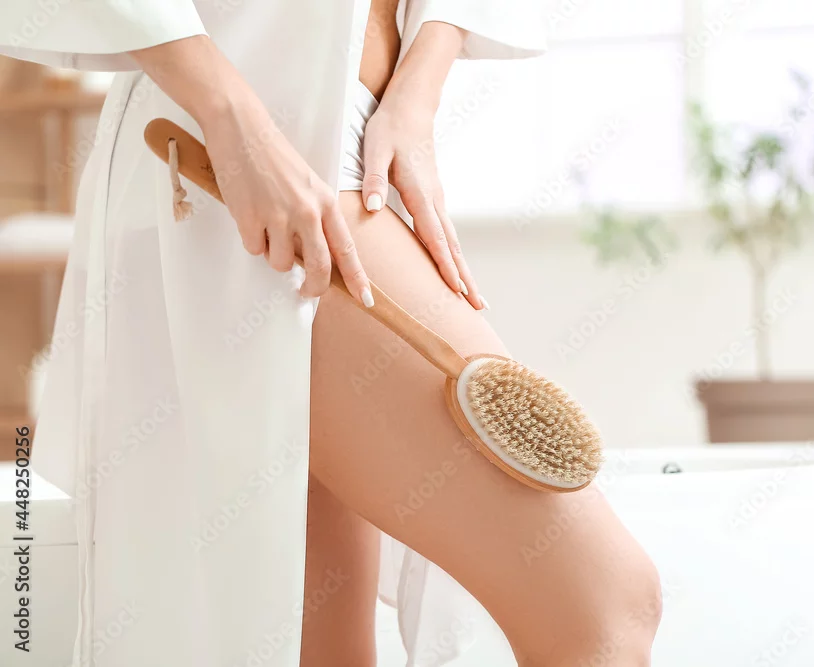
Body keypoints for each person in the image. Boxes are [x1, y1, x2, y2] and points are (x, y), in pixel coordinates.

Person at [0, 1, 662, 665]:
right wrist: (233, 119)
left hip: (352, 147)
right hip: (236, 169)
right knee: (603, 604)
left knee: (328, 649)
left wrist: (418, 92)